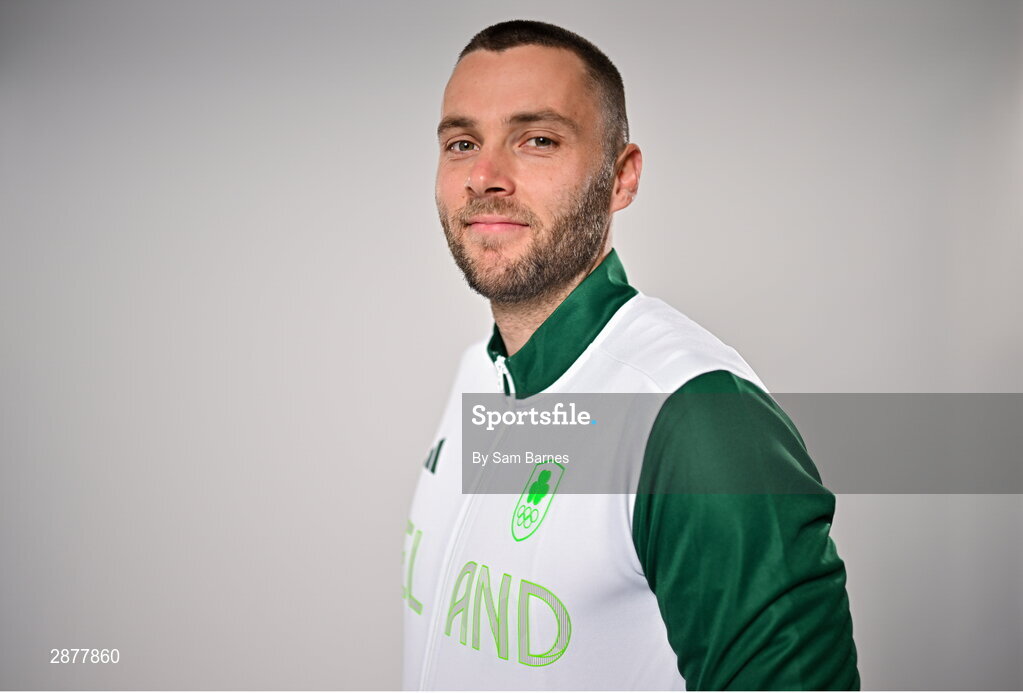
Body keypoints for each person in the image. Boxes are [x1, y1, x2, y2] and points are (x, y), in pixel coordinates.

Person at [402, 19, 859, 691]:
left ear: (620, 177)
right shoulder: (478, 372)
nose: (484, 176)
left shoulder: (695, 416)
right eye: (462, 142)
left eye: (537, 140)